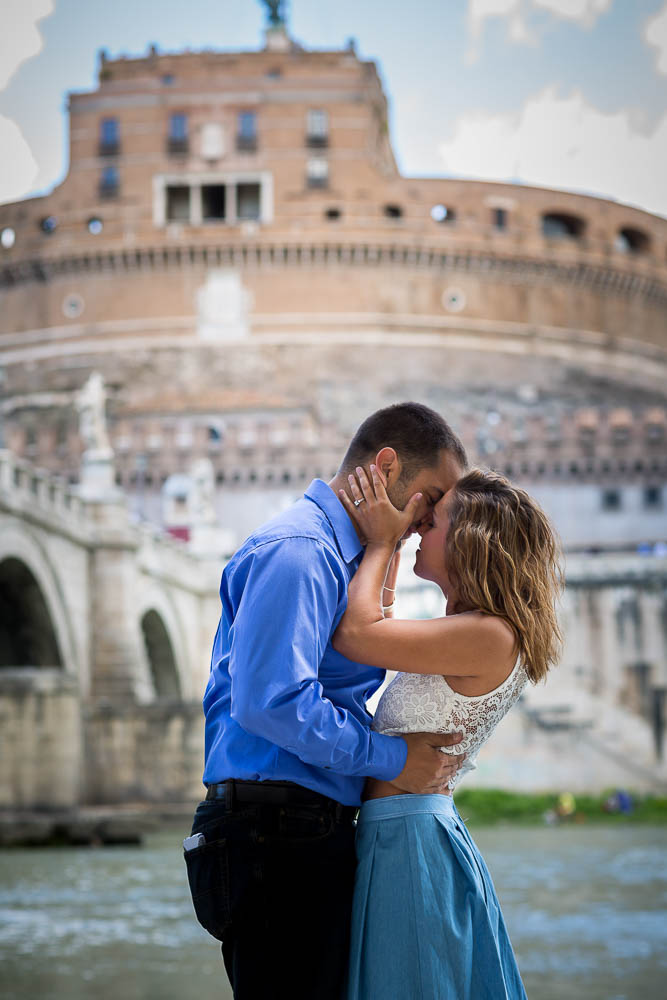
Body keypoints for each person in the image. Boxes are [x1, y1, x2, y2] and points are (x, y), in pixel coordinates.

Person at [184, 402, 469, 1000]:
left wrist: (383, 551)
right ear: (386, 466)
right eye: (431, 497)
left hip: (297, 828)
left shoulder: (341, 556)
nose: (434, 518)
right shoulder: (299, 552)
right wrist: (395, 760)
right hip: (273, 833)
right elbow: (271, 703)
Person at [333, 464, 563, 1000]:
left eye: (431, 520)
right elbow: (378, 619)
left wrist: (381, 542)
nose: (418, 527)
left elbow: (354, 633)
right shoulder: (475, 631)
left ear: (469, 539)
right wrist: (385, 546)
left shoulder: (488, 635)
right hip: (402, 835)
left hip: (411, 844)